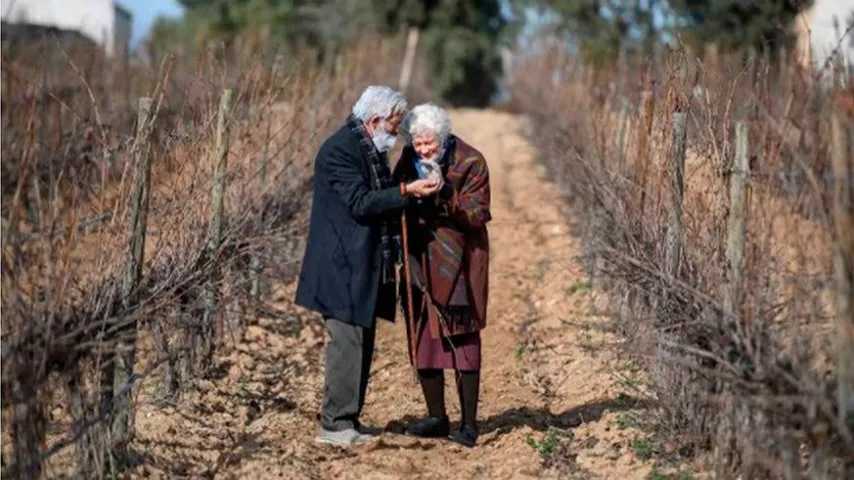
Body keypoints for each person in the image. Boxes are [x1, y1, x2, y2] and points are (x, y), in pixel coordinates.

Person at [295, 86, 440, 447]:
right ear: (374, 120)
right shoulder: (340, 151)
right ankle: (335, 426)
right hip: (340, 267)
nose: (394, 134)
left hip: (362, 266)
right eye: (392, 126)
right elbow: (361, 203)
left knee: (361, 343)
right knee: (346, 345)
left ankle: (349, 421)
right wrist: (406, 192)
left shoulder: (367, 148)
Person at [393, 104, 491, 448]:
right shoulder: (407, 159)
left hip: (459, 262)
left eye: (429, 144)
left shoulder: (472, 161)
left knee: (462, 338)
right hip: (419, 259)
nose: (422, 151)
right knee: (423, 337)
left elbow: (478, 215)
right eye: (418, 144)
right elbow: (397, 197)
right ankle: (436, 417)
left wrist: (446, 193)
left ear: (443, 137)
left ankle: (468, 424)